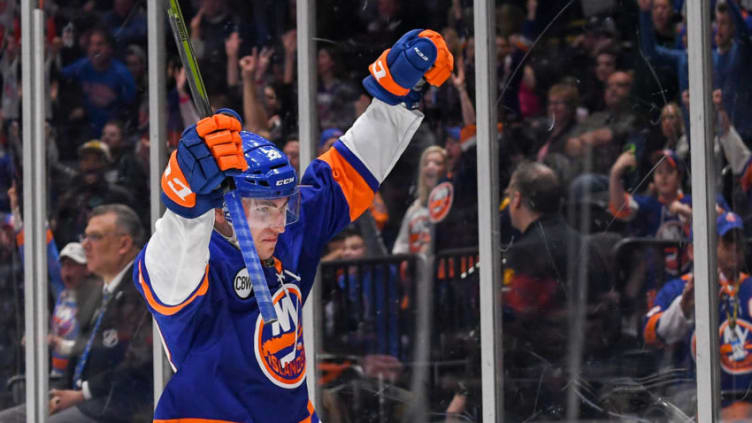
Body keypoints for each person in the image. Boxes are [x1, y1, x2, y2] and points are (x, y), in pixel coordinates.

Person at [134, 29, 452, 422]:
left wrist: (395, 100)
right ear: (220, 211)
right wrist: (185, 201)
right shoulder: (196, 261)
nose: (280, 224)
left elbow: (347, 172)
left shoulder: (287, 229)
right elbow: (166, 270)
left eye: (284, 207)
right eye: (265, 209)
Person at [0, 204, 153, 422]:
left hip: (116, 408)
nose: (85, 245)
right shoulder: (101, 291)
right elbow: (85, 349)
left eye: (95, 237)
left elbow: (138, 365)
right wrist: (61, 392)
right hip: (82, 397)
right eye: (85, 236)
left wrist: (83, 393)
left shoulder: (141, 290)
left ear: (124, 244)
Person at [643, 211, 752, 417]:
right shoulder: (677, 289)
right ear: (694, 250)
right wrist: (683, 308)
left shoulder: (750, 287)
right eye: (726, 241)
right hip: (692, 398)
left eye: (738, 240)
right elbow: (651, 334)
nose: (735, 247)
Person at [392, 145, 447, 255]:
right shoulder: (414, 209)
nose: (430, 166)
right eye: (426, 163)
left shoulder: (450, 205)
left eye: (437, 163)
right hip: (416, 269)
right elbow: (400, 247)